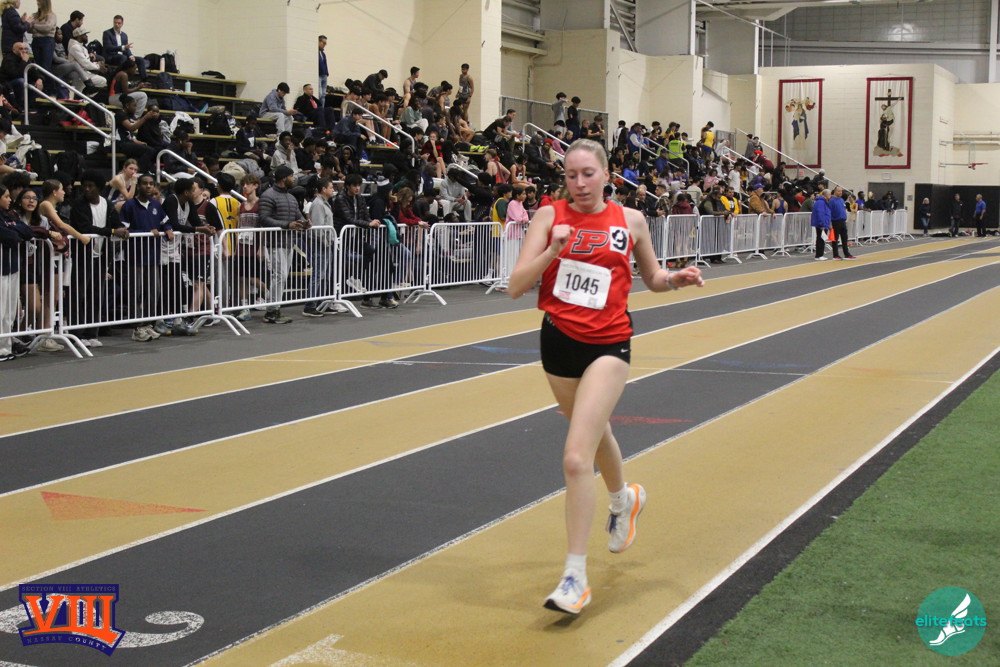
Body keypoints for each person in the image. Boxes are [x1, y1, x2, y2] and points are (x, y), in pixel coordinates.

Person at [507, 139, 704, 615]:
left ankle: (574, 578)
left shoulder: (630, 220)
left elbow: (652, 278)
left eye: (588, 174)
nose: (579, 184)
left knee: (576, 457)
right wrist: (552, 251)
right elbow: (515, 286)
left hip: (609, 344)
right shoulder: (549, 217)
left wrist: (673, 279)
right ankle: (624, 500)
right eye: (571, 175)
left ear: (606, 174)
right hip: (558, 341)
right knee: (596, 435)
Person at [0, 183, 32, 361]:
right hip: (1, 269)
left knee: (9, 311)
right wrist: (14, 232)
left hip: (12, 268)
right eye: (6, 196)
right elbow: (9, 236)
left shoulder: (9, 215)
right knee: (0, 310)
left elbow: (27, 231)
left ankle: (5, 346)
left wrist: (14, 231)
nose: (10, 200)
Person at [101, 14, 145, 81]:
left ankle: (144, 80)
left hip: (122, 57)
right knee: (123, 57)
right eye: (115, 22)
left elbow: (126, 48)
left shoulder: (124, 35)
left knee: (140, 60)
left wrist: (130, 55)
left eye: (119, 23)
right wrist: (123, 47)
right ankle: (121, 79)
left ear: (122, 24)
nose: (116, 24)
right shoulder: (107, 33)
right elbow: (108, 47)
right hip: (112, 57)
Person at [28, 0, 55, 78]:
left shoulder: (51, 15)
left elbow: (47, 28)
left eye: (39, 1)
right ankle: (41, 82)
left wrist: (34, 25)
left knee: (45, 66)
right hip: (36, 41)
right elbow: (28, 29)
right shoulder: (35, 15)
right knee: (38, 66)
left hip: (47, 41)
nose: (37, 3)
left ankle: (50, 85)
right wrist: (39, 26)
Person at [828, 186, 854, 259]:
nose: (840, 193)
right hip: (835, 221)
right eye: (839, 191)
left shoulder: (842, 200)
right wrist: (830, 223)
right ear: (835, 191)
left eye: (841, 191)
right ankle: (835, 254)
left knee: (844, 238)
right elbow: (829, 212)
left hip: (842, 221)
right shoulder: (832, 201)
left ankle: (846, 253)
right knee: (835, 239)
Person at [811, 188, 831, 260]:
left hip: (823, 222)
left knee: (821, 238)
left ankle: (819, 254)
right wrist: (822, 224)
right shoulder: (821, 202)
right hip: (822, 223)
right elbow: (820, 213)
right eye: (829, 194)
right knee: (821, 239)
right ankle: (819, 255)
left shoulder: (821, 201)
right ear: (826, 195)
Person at [317, 35, 328, 107]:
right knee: (319, 93)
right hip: (319, 75)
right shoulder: (316, 53)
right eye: (323, 43)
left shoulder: (323, 54)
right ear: (319, 42)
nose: (324, 45)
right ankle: (318, 108)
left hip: (324, 75)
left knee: (323, 95)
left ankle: (322, 109)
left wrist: (326, 73)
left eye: (325, 43)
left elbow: (325, 64)